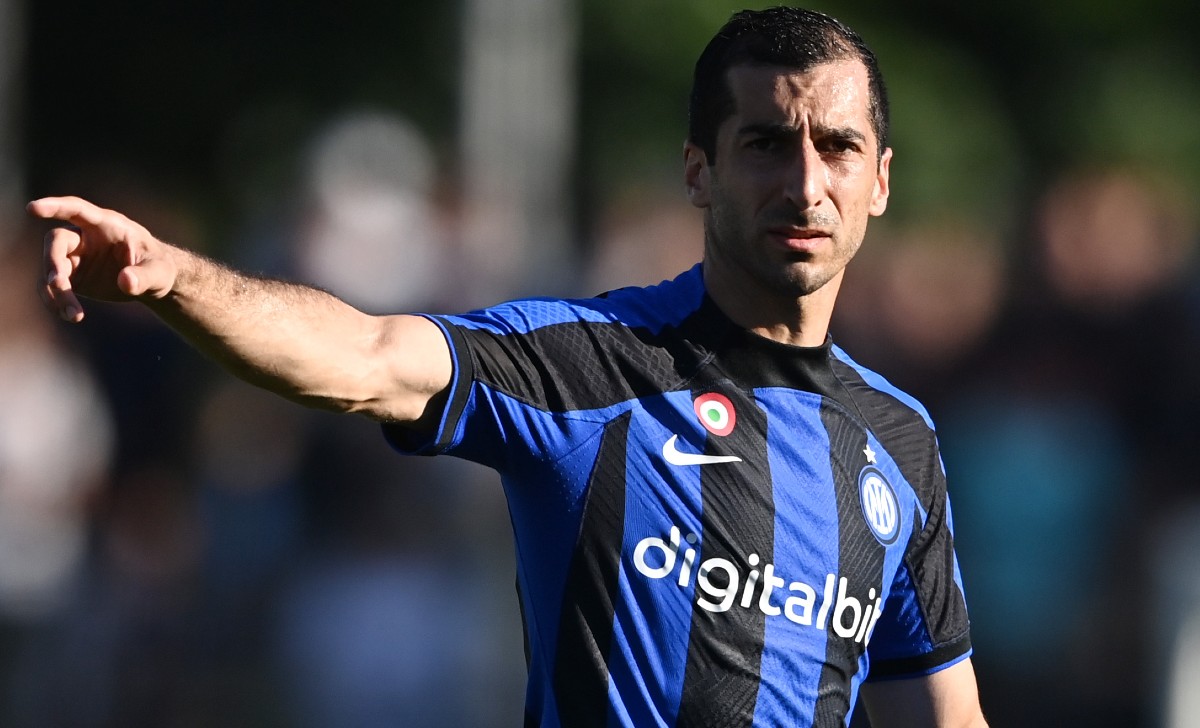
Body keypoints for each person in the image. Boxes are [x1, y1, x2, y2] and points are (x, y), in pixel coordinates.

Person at [32, 7, 988, 727]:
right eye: (766, 145)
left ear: (880, 180)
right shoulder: (592, 366)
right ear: (698, 171)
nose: (806, 183)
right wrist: (175, 279)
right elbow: (364, 356)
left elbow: (946, 711)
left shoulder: (898, 442)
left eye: (838, 147)